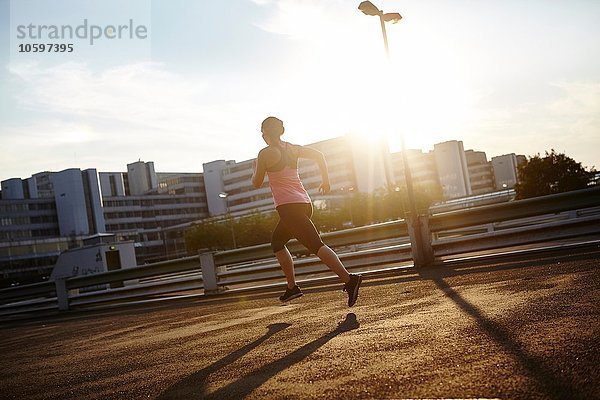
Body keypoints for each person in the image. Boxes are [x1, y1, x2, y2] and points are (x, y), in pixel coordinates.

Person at [251, 116, 362, 306]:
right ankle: (292, 287)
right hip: (304, 203)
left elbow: (257, 182)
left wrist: (256, 167)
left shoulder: (265, 153)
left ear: (265, 133)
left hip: (288, 208)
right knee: (277, 242)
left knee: (315, 244)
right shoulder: (292, 148)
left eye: (262, 132)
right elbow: (319, 155)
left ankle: (349, 280)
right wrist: (326, 180)